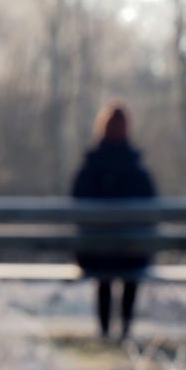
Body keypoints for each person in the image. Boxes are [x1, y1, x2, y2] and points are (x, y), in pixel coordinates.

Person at [71, 102, 157, 341]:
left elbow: (76, 203)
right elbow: (152, 210)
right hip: (132, 254)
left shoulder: (89, 168)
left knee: (104, 270)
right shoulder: (138, 170)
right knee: (131, 260)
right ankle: (126, 329)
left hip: (94, 254)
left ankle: (105, 330)